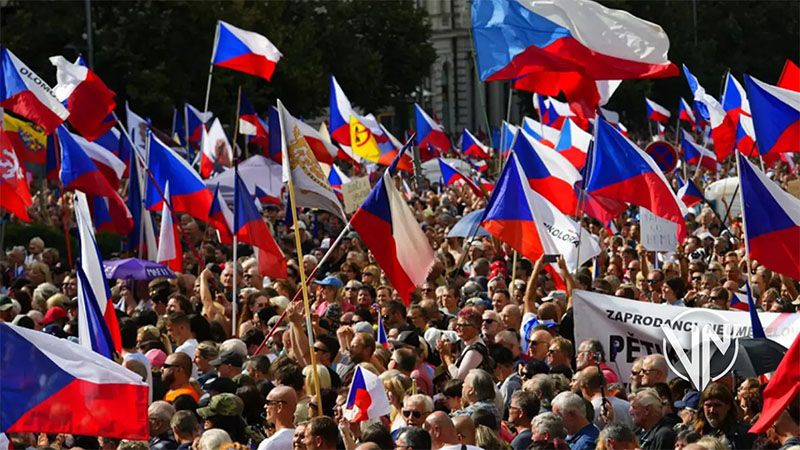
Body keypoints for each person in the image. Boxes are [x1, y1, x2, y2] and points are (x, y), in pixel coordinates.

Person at [692, 383, 755, 449]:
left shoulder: (744, 434)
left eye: (717, 405)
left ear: (728, 406)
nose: (712, 410)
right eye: (708, 405)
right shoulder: (693, 432)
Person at [257, 386, 297, 450]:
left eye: (268, 402)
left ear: (279, 407)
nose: (265, 406)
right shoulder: (303, 440)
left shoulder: (270, 444)